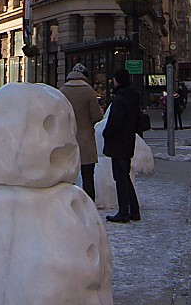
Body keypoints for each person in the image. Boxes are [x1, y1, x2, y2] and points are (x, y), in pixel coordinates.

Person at [101, 68, 149, 223]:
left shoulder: (120, 100)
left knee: (120, 178)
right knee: (125, 177)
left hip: (118, 143)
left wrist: (106, 133)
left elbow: (115, 123)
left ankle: (124, 212)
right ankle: (133, 210)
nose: (112, 82)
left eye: (114, 79)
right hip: (127, 142)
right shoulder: (132, 98)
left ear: (118, 81)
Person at [61, 64, 102, 197]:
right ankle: (88, 205)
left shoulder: (62, 90)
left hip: (67, 138)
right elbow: (96, 116)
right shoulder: (89, 91)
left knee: (67, 177)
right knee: (88, 176)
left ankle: (68, 204)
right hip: (85, 140)